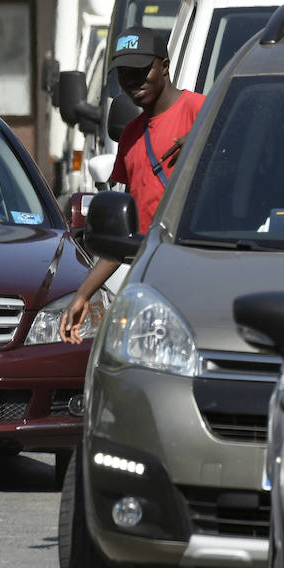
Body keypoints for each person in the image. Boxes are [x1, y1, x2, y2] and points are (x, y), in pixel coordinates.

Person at [58, 25, 206, 344]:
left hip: (202, 281)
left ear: (164, 66)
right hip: (151, 286)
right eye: (124, 73)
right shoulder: (130, 136)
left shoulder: (204, 113)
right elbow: (127, 233)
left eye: (141, 70)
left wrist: (203, 146)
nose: (132, 81)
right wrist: (82, 294)